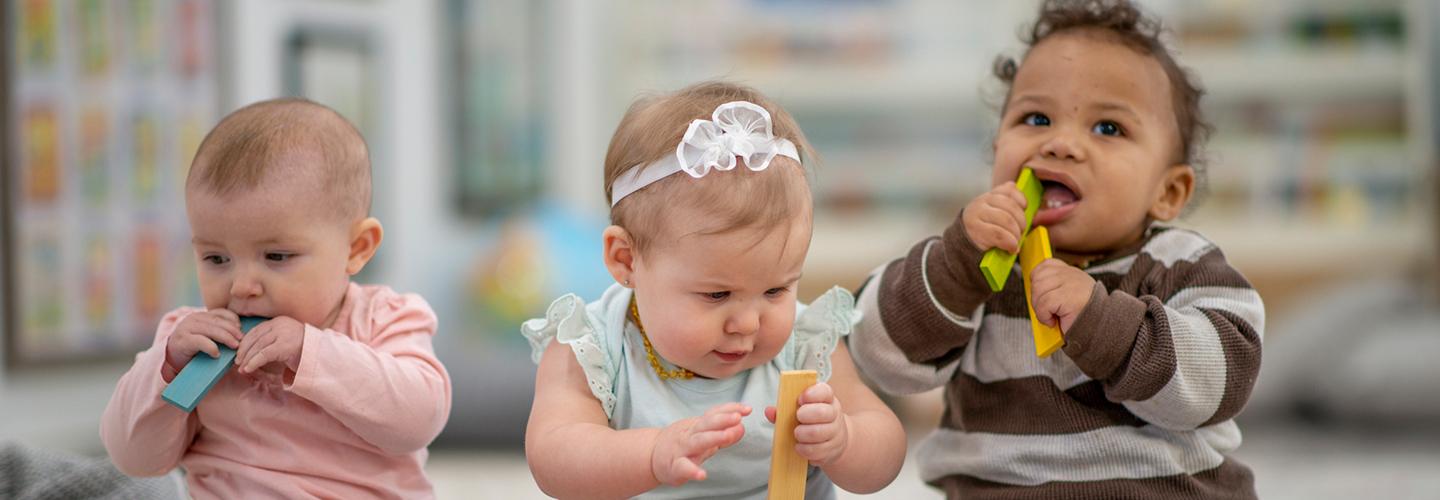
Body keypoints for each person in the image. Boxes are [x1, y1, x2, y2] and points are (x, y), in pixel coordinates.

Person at [847, 1, 1265, 498]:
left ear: (1168, 192)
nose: (1061, 144)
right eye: (1036, 118)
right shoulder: (973, 264)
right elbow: (876, 355)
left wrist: (1104, 324)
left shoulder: (1182, 263)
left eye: (1108, 128)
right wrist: (955, 270)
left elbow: (1217, 382)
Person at [523, 81, 906, 499]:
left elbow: (886, 452)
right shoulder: (592, 347)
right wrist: (652, 452)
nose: (747, 323)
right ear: (626, 260)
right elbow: (553, 457)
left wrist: (846, 440)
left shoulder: (806, 343)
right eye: (717, 295)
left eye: (776, 290)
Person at [101, 98, 451, 499]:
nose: (242, 286)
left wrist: (311, 351)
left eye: (276, 256)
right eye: (217, 258)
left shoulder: (385, 318)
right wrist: (166, 367)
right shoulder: (189, 342)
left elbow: (419, 420)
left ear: (356, 247)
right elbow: (134, 459)